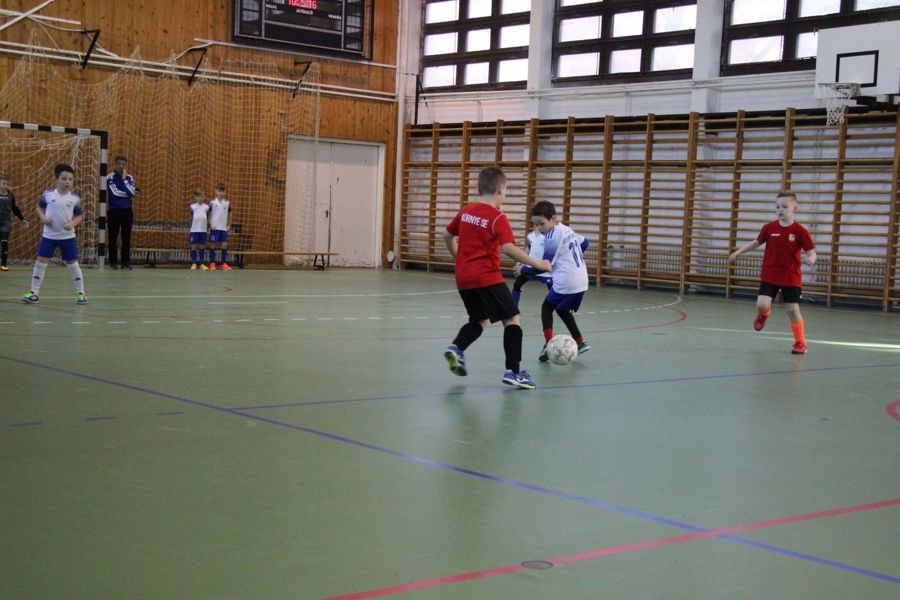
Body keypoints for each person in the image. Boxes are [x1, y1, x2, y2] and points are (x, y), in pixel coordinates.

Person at [442, 166, 552, 390]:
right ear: (501, 188)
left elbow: (447, 235)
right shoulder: (497, 217)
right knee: (512, 319)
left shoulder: (466, 211)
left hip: (463, 278)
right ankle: (514, 372)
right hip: (487, 277)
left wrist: (458, 258)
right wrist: (539, 264)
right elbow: (508, 248)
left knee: (480, 321)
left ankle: (456, 348)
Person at [729, 191, 816, 354]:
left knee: (793, 310)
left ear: (795, 209)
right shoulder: (769, 228)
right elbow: (756, 242)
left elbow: (811, 252)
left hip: (791, 277)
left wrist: (811, 259)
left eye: (784, 206)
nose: (780, 210)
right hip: (770, 274)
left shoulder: (800, 231)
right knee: (761, 305)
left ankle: (799, 342)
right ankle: (764, 314)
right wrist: (739, 251)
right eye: (777, 207)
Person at [520, 201, 591, 362]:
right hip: (582, 279)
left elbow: (544, 266)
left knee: (546, 308)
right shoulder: (566, 229)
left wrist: (524, 270)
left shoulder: (552, 236)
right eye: (536, 224)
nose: (539, 228)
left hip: (567, 281)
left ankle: (549, 345)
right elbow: (585, 243)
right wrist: (569, 259)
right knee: (561, 309)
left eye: (542, 224)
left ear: (553, 219)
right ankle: (580, 342)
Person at [21, 163, 88, 305]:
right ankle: (34, 293)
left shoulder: (75, 199)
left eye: (70, 179)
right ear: (56, 180)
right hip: (49, 237)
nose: (67, 182)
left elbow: (79, 216)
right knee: (41, 261)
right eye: (64, 179)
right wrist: (43, 218)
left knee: (72, 263)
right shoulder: (47, 195)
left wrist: (72, 224)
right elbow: (39, 208)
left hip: (67, 237)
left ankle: (81, 293)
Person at [105, 154, 139, 269]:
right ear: (116, 164)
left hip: (127, 211)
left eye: (123, 164)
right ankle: (113, 262)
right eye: (119, 164)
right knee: (112, 237)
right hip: (114, 211)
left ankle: (125, 263)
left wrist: (124, 180)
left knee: (126, 237)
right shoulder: (110, 177)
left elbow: (132, 192)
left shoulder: (129, 177)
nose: (121, 166)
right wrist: (130, 193)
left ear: (125, 165)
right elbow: (115, 193)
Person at [510, 224, 551, 305]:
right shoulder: (530, 236)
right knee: (517, 284)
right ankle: (513, 307)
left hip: (543, 268)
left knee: (554, 290)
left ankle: (563, 308)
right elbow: (528, 248)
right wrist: (520, 261)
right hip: (530, 267)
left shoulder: (547, 237)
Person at [0, 172, 29, 271]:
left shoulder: (10, 195)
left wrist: (22, 219)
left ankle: (3, 265)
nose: (6, 186)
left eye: (7, 184)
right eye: (4, 184)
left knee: (4, 242)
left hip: (5, 222)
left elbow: (14, 208)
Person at [208, 183, 232, 271]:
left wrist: (229, 225)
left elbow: (230, 215)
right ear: (216, 191)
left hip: (223, 229)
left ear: (225, 192)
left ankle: (223, 264)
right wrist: (211, 224)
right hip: (215, 228)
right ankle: (212, 263)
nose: (221, 193)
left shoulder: (227, 203)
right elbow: (209, 215)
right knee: (213, 245)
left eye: (222, 191)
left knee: (225, 244)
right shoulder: (212, 203)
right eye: (219, 191)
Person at [188, 188, 210, 270]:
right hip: (194, 230)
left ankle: (201, 264)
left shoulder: (207, 207)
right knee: (193, 246)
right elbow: (192, 216)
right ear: (195, 197)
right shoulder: (192, 206)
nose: (200, 198)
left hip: (203, 231)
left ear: (204, 197)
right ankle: (193, 263)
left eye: (202, 196)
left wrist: (208, 227)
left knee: (202, 247)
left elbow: (208, 218)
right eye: (199, 196)